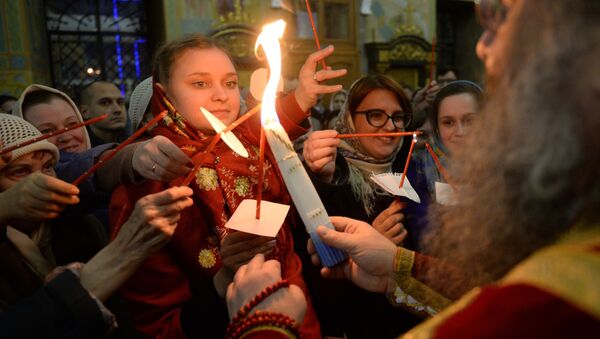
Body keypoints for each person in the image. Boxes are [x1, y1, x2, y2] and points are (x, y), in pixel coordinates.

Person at [225, 0, 600, 337]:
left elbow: (500, 299)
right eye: (374, 116)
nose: (481, 46)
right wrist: (395, 266)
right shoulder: (329, 171)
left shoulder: (561, 293)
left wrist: (266, 328)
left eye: (499, 19)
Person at [109, 34, 346, 338]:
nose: (221, 96)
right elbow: (159, 324)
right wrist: (225, 276)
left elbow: (271, 121)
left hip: (300, 312)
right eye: (200, 84)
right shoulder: (146, 186)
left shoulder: (251, 142)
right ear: (164, 94)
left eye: (231, 83)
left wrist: (302, 96)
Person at [0, 113, 194, 338]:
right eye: (20, 171)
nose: (41, 182)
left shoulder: (82, 227)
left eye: (48, 167)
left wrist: (130, 157)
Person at [300, 74, 429, 337]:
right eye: (375, 115)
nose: (390, 127)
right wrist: (369, 246)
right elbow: (318, 281)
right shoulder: (329, 177)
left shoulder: (412, 172)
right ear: (349, 119)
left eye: (397, 116)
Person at [413, 80, 484, 200]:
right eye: (448, 122)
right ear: (437, 127)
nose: (460, 132)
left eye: (470, 121)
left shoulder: (508, 169)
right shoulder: (418, 169)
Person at [79, 81, 129, 145]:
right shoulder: (80, 149)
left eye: (120, 102)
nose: (118, 109)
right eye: (105, 103)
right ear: (85, 112)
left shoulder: (133, 142)